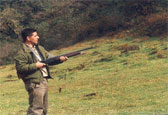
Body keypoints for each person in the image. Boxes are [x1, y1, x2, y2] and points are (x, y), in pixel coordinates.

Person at [15, 28, 68, 115]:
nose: (38, 37)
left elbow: (50, 59)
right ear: (28, 38)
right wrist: (35, 65)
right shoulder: (22, 53)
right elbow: (20, 68)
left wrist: (60, 59)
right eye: (35, 36)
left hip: (43, 80)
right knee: (36, 110)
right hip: (34, 82)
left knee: (44, 109)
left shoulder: (40, 48)